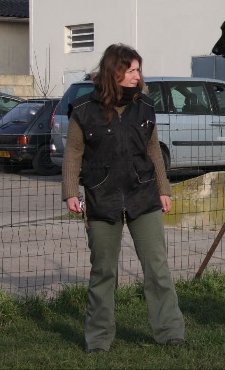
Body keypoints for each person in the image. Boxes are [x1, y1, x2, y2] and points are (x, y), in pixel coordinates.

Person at [63, 43, 185, 353]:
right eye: (130, 70)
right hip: (102, 199)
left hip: (143, 196)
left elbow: (153, 149)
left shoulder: (145, 106)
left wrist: (163, 188)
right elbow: (74, 152)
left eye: (138, 70)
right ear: (113, 73)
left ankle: (170, 332)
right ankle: (98, 340)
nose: (137, 76)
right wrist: (69, 192)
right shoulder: (82, 110)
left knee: (157, 268)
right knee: (103, 272)